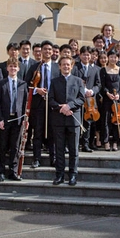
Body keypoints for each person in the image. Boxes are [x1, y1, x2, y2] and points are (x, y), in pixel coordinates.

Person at [49, 56, 85, 186]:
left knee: (73, 149)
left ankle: (73, 175)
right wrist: (61, 108)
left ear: (72, 66)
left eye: (68, 65)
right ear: (59, 66)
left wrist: (69, 106)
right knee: (59, 149)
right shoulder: (54, 81)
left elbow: (81, 99)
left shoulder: (78, 81)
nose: (66, 67)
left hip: (73, 120)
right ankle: (59, 175)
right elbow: (51, 99)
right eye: (63, 64)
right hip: (58, 120)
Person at [25, 40, 60, 168]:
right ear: (41, 51)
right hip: (38, 104)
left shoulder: (57, 67)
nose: (47, 52)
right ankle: (36, 159)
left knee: (53, 132)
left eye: (49, 49)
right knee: (38, 132)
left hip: (52, 104)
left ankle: (54, 158)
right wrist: (36, 90)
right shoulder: (35, 67)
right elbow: (26, 85)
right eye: (45, 49)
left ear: (52, 51)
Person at [0, 58, 28, 181]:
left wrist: (25, 118)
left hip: (18, 119)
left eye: (15, 67)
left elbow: (25, 103)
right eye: (11, 66)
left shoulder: (22, 84)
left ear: (18, 69)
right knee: (3, 145)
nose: (13, 69)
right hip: (5, 118)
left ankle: (13, 171)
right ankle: (1, 171)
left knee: (15, 146)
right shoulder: (0, 83)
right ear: (7, 68)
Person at [73, 46, 101, 152]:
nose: (86, 56)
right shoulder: (75, 67)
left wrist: (92, 91)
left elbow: (98, 84)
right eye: (84, 54)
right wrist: (82, 90)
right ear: (80, 55)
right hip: (77, 98)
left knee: (88, 123)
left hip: (90, 101)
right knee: (76, 122)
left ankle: (85, 144)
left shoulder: (95, 69)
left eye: (88, 54)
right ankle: (74, 144)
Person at [99, 49, 120, 151]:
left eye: (115, 57)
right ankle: (106, 142)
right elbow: (102, 85)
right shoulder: (103, 70)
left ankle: (115, 142)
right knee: (106, 120)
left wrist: (119, 94)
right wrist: (107, 93)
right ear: (108, 58)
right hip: (107, 97)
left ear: (117, 58)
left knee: (117, 120)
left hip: (118, 99)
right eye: (111, 57)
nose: (113, 59)